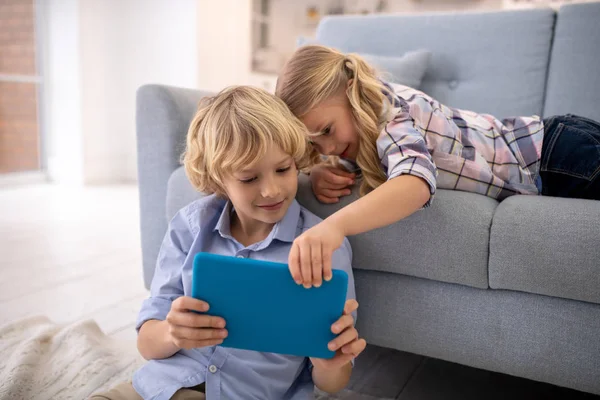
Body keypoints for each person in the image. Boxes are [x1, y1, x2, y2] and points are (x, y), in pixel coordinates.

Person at [90, 86, 366, 400]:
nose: (271, 191)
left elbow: (333, 382)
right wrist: (172, 332)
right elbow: (147, 344)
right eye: (249, 178)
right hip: (158, 387)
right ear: (219, 179)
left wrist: (329, 360)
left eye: (283, 169)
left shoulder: (322, 247)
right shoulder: (190, 227)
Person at [275, 44, 600, 289]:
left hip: (554, 154)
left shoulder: (391, 113)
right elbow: (308, 157)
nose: (329, 148)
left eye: (328, 132)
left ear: (351, 93)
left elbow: (414, 183)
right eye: (316, 144)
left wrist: (335, 226)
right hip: (550, 152)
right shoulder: (356, 135)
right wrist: (315, 169)